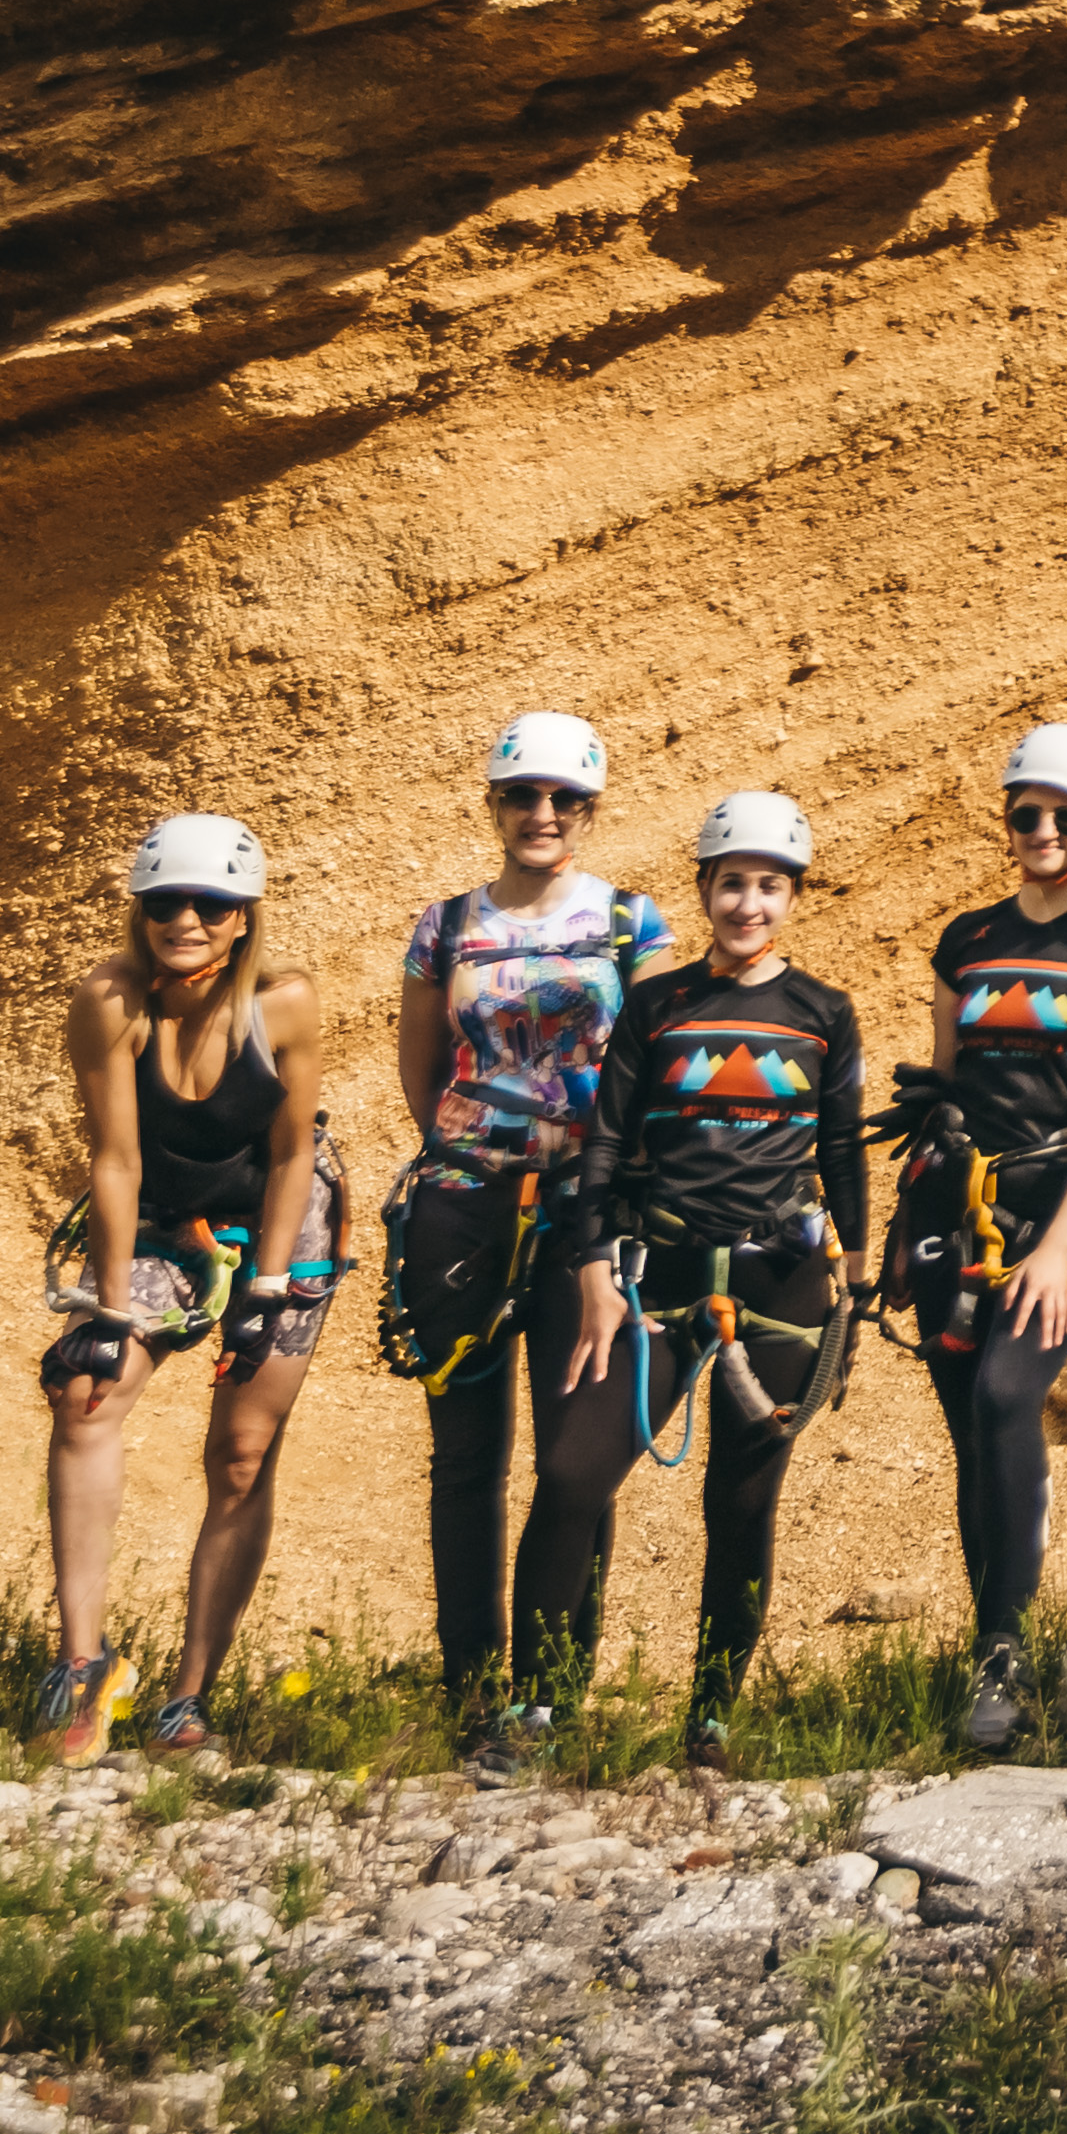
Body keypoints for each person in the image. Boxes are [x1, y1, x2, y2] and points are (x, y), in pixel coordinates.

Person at [520, 791, 872, 1769]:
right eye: (731, 882)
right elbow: (605, 1141)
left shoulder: (822, 1014)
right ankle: (535, 1706)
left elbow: (841, 1151)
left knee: (743, 1500)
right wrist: (592, 1261)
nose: (747, 902)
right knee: (570, 1473)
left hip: (785, 1278)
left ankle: (709, 1719)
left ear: (791, 894)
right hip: (659, 1272)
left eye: (767, 884)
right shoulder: (658, 1004)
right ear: (705, 888)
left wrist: (858, 1270)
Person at [385, 712, 675, 1747]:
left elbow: (651, 1068)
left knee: (575, 1457)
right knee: (466, 1457)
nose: (541, 813)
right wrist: (465, 1153)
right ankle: (470, 1695)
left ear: (588, 809)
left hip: (586, 1212)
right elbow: (420, 1068)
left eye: (562, 798)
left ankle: (550, 1691)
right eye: (522, 794)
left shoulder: (634, 923)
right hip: (464, 1199)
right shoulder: (445, 923)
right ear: (495, 803)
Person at [32, 812, 340, 1764]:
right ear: (142, 910)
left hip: (285, 1215)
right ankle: (82, 1665)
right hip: (165, 1217)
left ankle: (190, 1693)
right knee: (84, 1391)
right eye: (167, 901)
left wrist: (270, 1283)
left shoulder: (284, 1002)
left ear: (245, 916)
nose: (189, 918)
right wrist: (111, 1308)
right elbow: (114, 1160)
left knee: (242, 1453)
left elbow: (292, 1151)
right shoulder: (109, 1001)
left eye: (212, 903)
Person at [912, 723, 1067, 1748]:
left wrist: (1058, 1246)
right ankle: (994, 1659)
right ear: (1007, 818)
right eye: (1028, 812)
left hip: (1059, 1207)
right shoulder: (964, 939)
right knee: (974, 1421)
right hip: (957, 1203)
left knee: (1013, 1393)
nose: (1045, 830)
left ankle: (1005, 1653)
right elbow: (943, 1080)